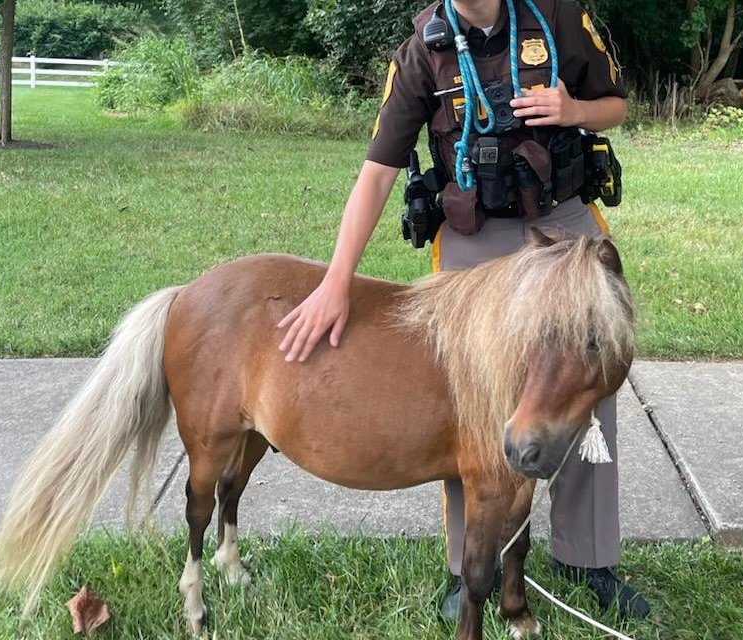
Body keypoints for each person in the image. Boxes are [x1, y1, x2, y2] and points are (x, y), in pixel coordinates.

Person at [277, 0, 650, 621]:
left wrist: (575, 111)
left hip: (559, 227)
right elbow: (376, 171)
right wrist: (336, 279)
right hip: (477, 234)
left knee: (585, 377)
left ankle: (587, 557)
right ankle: (468, 566)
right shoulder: (425, 46)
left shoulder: (555, 15)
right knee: (468, 400)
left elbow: (616, 104)